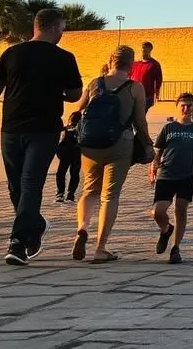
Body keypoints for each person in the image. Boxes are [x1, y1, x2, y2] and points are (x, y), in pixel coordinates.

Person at [0, 9, 84, 264]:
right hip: (22, 128)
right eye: (62, 29)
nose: (62, 34)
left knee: (29, 183)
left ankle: (18, 243)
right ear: (54, 28)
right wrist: (58, 92)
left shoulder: (12, 53)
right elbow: (75, 94)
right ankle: (36, 224)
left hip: (36, 131)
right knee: (17, 185)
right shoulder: (62, 57)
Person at [71, 45, 151, 264]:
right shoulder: (135, 87)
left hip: (90, 144)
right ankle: (100, 248)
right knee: (110, 195)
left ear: (111, 60)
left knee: (89, 189)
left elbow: (78, 111)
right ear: (131, 64)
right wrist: (147, 143)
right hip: (119, 144)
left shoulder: (95, 83)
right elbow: (140, 120)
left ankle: (82, 228)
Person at [147, 92, 193, 265]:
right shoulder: (169, 128)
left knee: (180, 209)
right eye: (183, 105)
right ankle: (166, 229)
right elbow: (158, 151)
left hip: (187, 175)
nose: (186, 108)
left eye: (190, 105)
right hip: (166, 174)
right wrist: (153, 167)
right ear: (177, 107)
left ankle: (175, 247)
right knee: (157, 211)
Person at [53, 112, 82, 203]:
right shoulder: (81, 129)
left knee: (61, 173)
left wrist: (58, 153)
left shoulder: (65, 129)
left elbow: (58, 142)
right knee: (74, 173)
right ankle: (70, 194)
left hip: (65, 155)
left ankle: (60, 194)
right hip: (76, 153)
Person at [131, 41, 163, 110]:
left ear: (150, 49)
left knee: (141, 113)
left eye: (146, 48)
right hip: (134, 95)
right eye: (142, 47)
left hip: (147, 96)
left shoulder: (154, 64)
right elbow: (129, 76)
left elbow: (159, 80)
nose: (143, 49)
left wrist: (157, 93)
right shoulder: (135, 64)